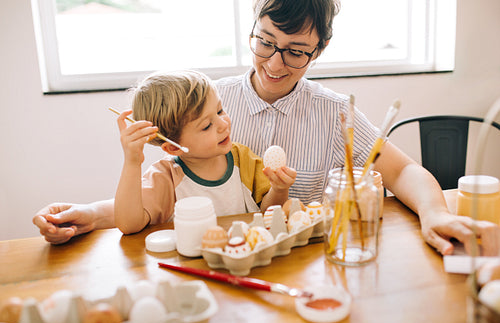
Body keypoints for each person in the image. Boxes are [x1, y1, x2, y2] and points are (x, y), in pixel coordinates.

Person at [33, 0, 500, 255]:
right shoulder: (209, 103)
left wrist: (435, 213)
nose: (275, 64)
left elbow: (404, 172)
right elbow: (160, 197)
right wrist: (90, 216)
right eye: (265, 42)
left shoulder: (335, 111)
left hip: (306, 264)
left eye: (296, 51)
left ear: (320, 49)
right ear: (252, 26)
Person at [115, 70, 296, 234]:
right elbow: (129, 225)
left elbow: (271, 215)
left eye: (220, 111)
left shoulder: (242, 158)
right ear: (174, 147)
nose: (223, 124)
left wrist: (279, 189)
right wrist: (132, 162)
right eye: (207, 126)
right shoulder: (165, 177)